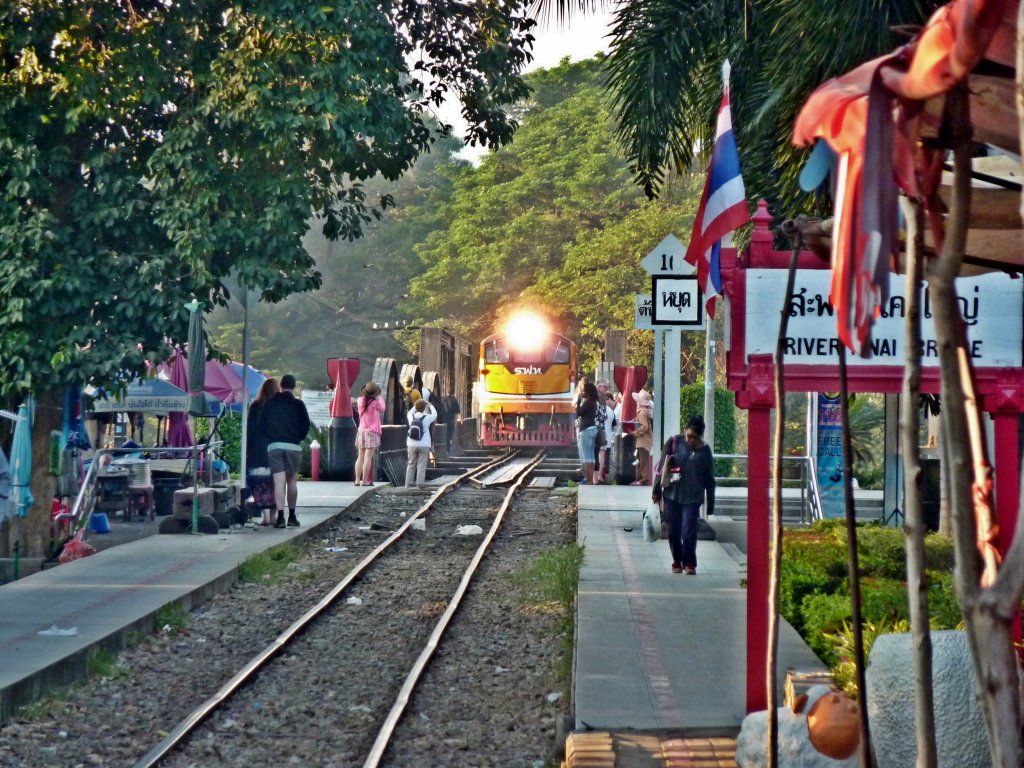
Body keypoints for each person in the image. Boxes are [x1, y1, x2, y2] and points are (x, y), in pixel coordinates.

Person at [652, 415, 716, 575]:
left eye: (695, 438)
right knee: (673, 530)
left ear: (700, 436)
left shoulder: (705, 450)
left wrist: (711, 504)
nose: (691, 440)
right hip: (672, 493)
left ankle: (689, 563)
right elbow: (661, 467)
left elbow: (709, 478)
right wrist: (656, 490)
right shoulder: (674, 442)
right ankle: (677, 561)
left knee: (689, 530)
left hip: (693, 496)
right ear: (685, 431)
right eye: (689, 436)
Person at [261, 374, 311, 528]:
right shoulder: (299, 404)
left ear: (281, 386)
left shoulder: (270, 403)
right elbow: (306, 425)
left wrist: (271, 438)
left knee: (278, 481)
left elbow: (261, 424)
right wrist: (297, 438)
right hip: (293, 446)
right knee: (291, 481)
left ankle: (280, 518)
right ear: (294, 387)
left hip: (274, 446)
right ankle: (292, 516)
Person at [246, 377, 280, 526]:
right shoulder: (278, 407)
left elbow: (250, 430)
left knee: (260, 483)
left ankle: (265, 517)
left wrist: (247, 450)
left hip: (258, 449)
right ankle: (274, 516)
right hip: (275, 449)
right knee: (275, 483)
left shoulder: (255, 406)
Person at [354, 381, 385, 487]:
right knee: (368, 457)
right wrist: (380, 396)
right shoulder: (375, 403)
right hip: (372, 432)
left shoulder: (360, 400)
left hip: (362, 430)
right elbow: (383, 408)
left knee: (360, 456)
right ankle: (365, 481)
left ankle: (357, 480)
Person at [405, 398, 437, 488]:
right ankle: (419, 485)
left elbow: (410, 411)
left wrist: (416, 405)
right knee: (421, 466)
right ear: (424, 408)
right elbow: (435, 415)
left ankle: (407, 485)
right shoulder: (427, 417)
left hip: (411, 444)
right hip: (424, 444)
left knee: (411, 464)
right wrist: (431, 405)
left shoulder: (411, 416)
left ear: (415, 407)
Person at [575, 381, 599, 485]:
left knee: (586, 457)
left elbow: (579, 413)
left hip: (586, 430)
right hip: (593, 429)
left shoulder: (587, 402)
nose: (582, 392)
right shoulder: (593, 402)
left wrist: (578, 401)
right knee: (591, 456)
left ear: (587, 392)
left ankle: (588, 479)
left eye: (583, 390)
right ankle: (591, 480)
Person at [632, 389, 654, 485]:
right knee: (641, 460)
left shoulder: (641, 413)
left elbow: (644, 426)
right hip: (645, 440)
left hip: (642, 441)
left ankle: (643, 479)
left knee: (642, 461)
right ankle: (640, 478)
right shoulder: (645, 412)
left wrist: (636, 432)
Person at [598, 391, 617, 484]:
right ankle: (604, 477)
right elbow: (614, 425)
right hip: (608, 439)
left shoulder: (597, 409)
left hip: (599, 438)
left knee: (599, 457)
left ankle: (598, 477)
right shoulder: (610, 411)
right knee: (606, 461)